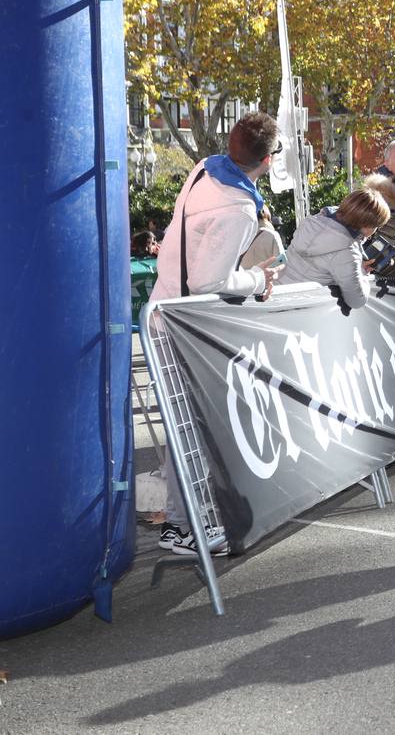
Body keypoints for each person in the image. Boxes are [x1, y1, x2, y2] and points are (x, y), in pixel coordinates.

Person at [151, 111, 282, 555]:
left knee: (183, 426)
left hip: (166, 311)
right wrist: (257, 281)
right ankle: (180, 524)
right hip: (185, 325)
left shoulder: (203, 169)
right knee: (191, 429)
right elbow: (209, 281)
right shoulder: (239, 209)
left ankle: (180, 520)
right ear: (266, 160)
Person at [279, 187, 390, 310]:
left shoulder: (311, 222)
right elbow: (357, 300)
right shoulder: (347, 250)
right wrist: (362, 273)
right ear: (367, 225)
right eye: (377, 227)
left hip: (277, 296)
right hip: (300, 309)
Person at [239, 204, 285, 270]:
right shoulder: (272, 235)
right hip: (265, 278)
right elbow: (281, 262)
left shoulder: (242, 236)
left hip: (245, 279)